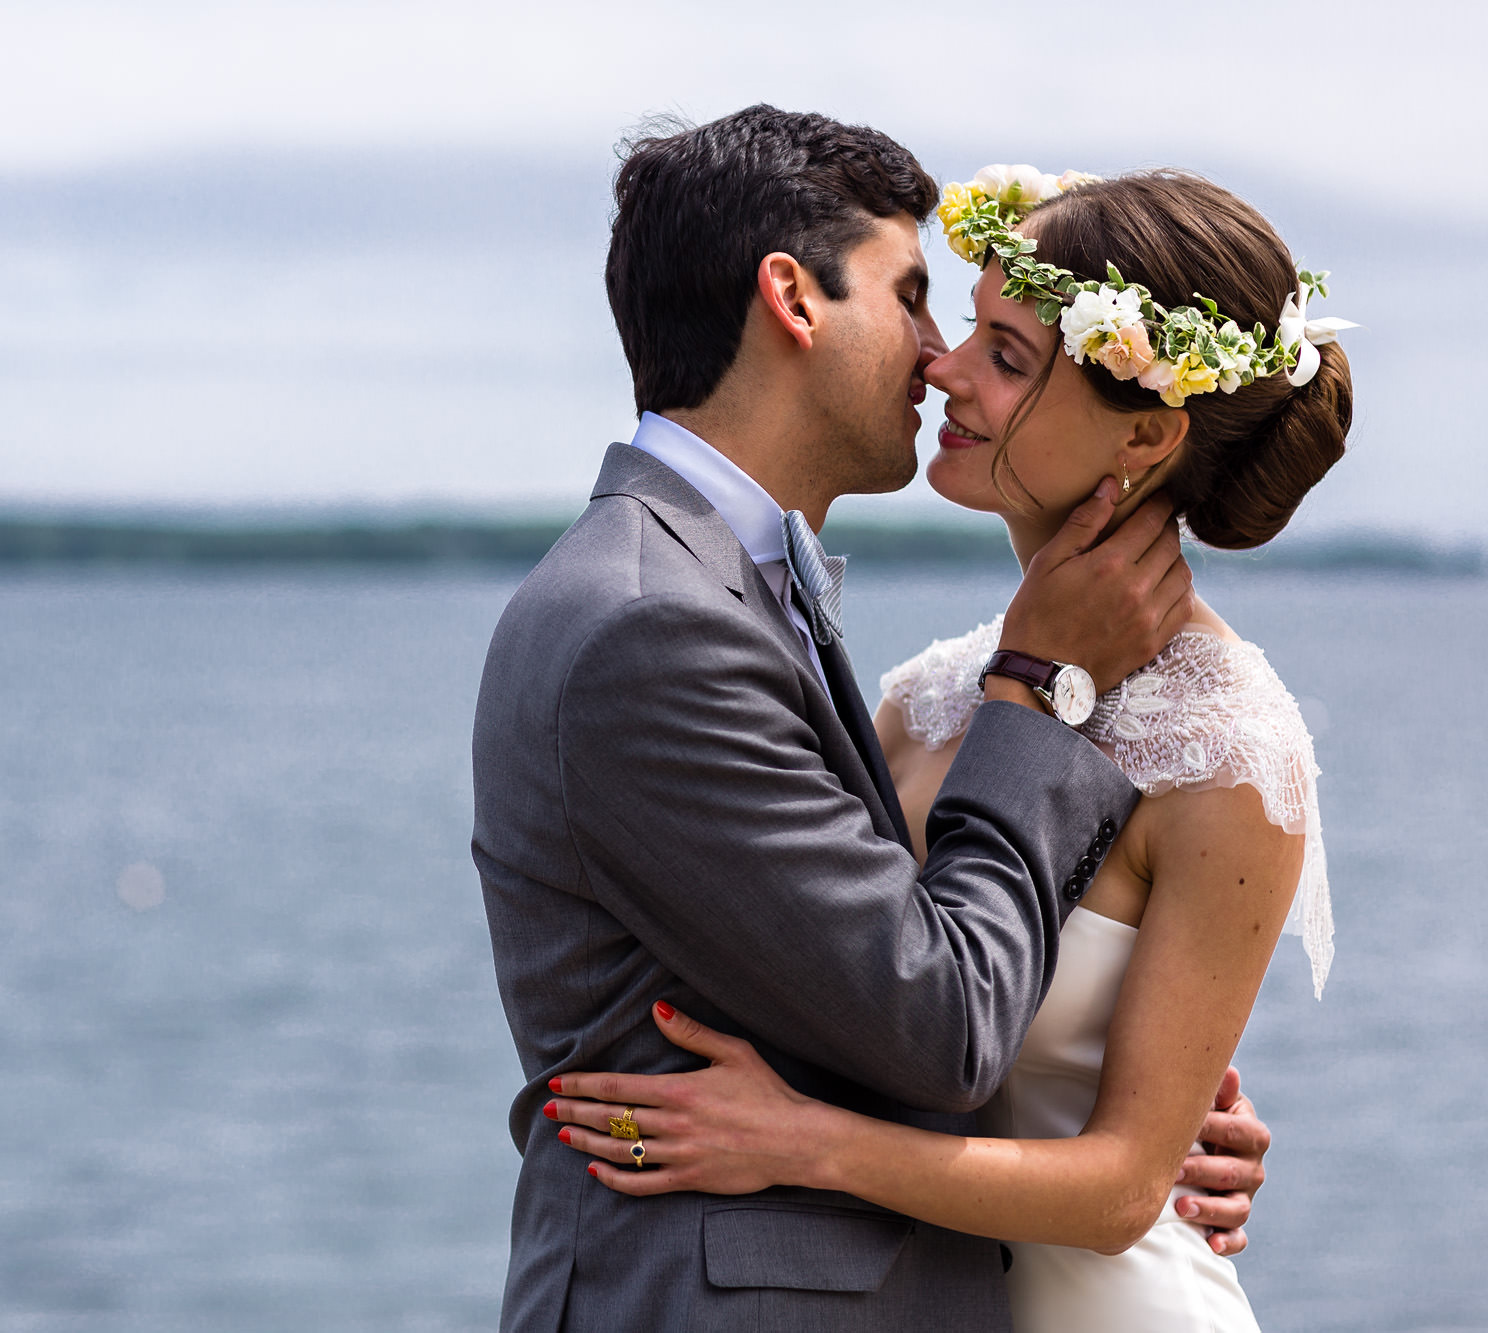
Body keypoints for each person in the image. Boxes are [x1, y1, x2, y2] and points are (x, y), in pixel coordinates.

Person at [471, 107, 1271, 1332]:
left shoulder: (726, 593)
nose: (936, 354)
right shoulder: (657, 623)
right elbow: (937, 1014)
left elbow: (881, 956)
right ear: (791, 300)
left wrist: (1148, 1112)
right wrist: (1035, 686)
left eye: (998, 349)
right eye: (912, 298)